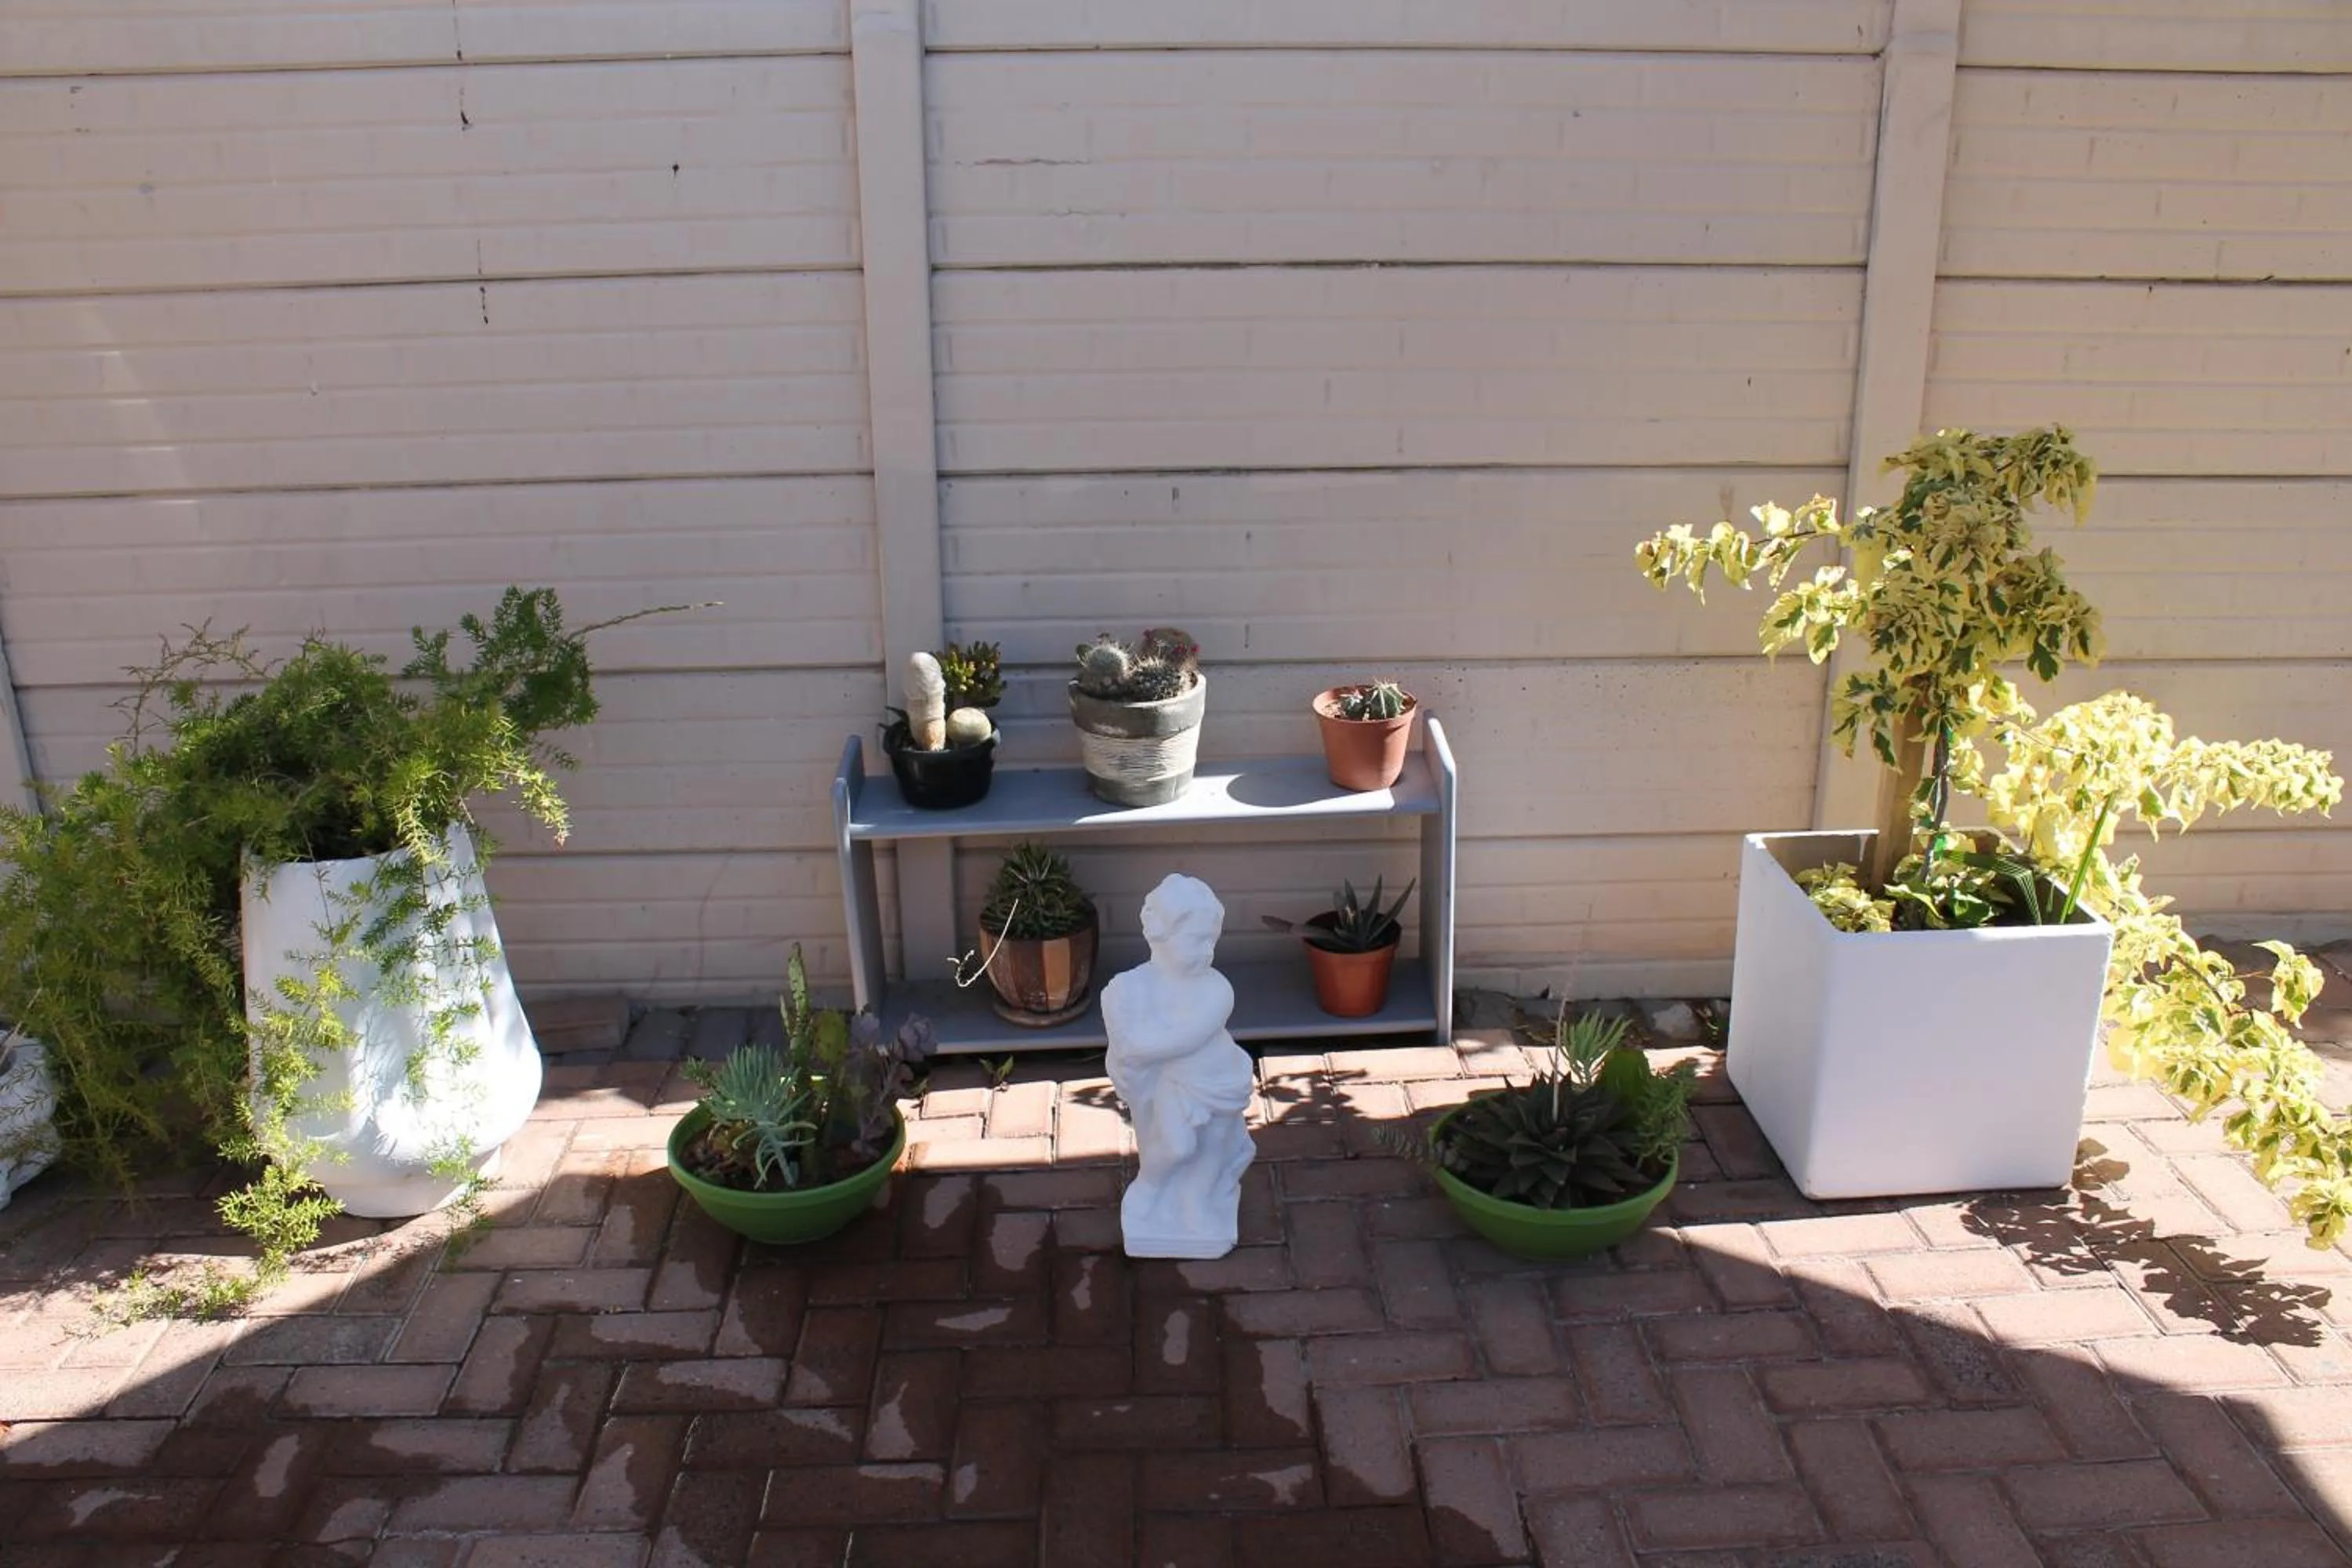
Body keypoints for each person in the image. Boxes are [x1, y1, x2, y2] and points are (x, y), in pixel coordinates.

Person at [1102, 874, 1256, 1258]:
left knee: (1213, 1146)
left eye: (1212, 941)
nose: (1208, 951)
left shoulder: (1216, 988)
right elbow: (1122, 1037)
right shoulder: (1129, 987)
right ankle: (1152, 1186)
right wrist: (1129, 1053)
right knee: (1175, 1147)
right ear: (1160, 935)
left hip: (1217, 1080)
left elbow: (1189, 1036)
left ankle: (1197, 1201)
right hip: (1165, 1086)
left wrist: (1141, 1048)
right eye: (1197, 940)